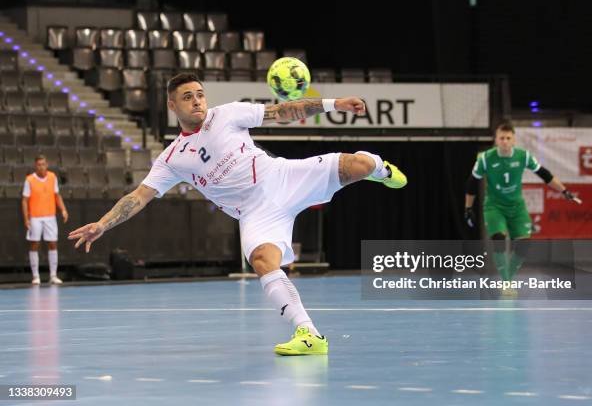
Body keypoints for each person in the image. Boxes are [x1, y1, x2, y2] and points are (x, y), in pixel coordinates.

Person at [68, 73, 407, 355]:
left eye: (200, 94)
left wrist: (335, 105)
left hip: (283, 178)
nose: (197, 101)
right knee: (262, 260)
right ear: (172, 106)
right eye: (188, 97)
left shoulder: (227, 114)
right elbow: (139, 196)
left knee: (360, 164)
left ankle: (381, 169)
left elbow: (283, 111)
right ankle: (309, 334)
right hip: (256, 213)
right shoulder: (172, 158)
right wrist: (102, 223)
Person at [464, 121, 580, 289]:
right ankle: (506, 282)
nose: (504, 141)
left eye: (508, 138)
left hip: (517, 206)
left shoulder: (523, 156)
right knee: (499, 238)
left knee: (524, 245)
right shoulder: (485, 159)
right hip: (494, 206)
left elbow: (544, 174)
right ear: (496, 140)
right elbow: (471, 183)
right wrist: (468, 208)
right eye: (501, 138)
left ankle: (508, 278)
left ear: (514, 140)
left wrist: (564, 191)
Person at [22, 154, 69, 285]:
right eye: (38, 165)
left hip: (50, 217)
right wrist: (26, 218)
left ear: (46, 165)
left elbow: (57, 195)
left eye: (43, 164)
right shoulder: (29, 180)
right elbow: (25, 201)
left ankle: (53, 275)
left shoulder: (53, 177)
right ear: (35, 166)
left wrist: (63, 209)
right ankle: (35, 276)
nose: (41, 167)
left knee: (53, 243)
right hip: (35, 217)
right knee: (34, 244)